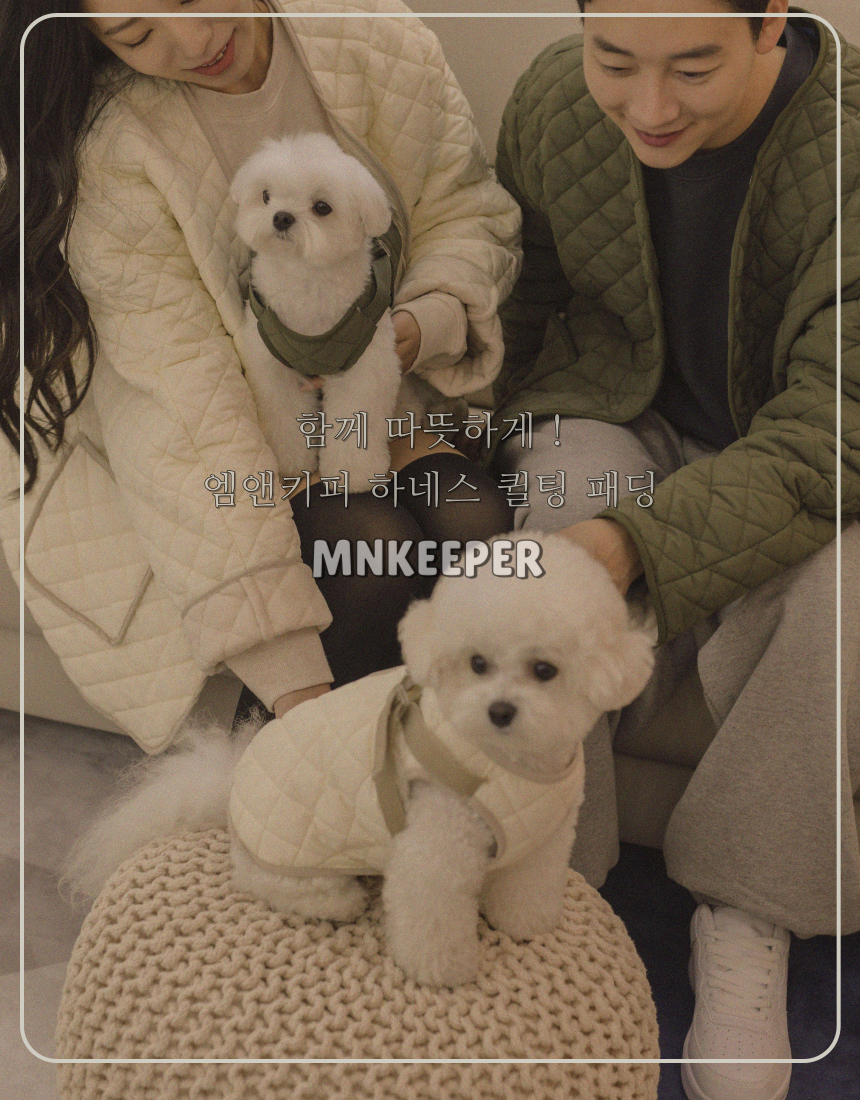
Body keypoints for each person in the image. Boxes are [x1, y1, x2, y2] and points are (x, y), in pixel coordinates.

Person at [491, 1, 859, 1098]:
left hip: (791, 434)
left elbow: (833, 426)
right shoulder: (553, 101)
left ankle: (749, 909)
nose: (647, 106)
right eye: (615, 60)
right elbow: (528, 308)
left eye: (692, 68)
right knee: (558, 518)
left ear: (770, 23)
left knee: (833, 585)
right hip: (613, 410)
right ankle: (550, 891)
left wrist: (634, 546)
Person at [0, 0, 521, 753]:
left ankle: (437, 780)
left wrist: (418, 326)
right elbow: (181, 398)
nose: (194, 40)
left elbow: (463, 209)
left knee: (475, 524)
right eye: (135, 36)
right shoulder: (116, 143)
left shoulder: (370, 35)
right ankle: (277, 780)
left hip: (388, 403)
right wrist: (289, 676)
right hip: (245, 434)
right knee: (372, 551)